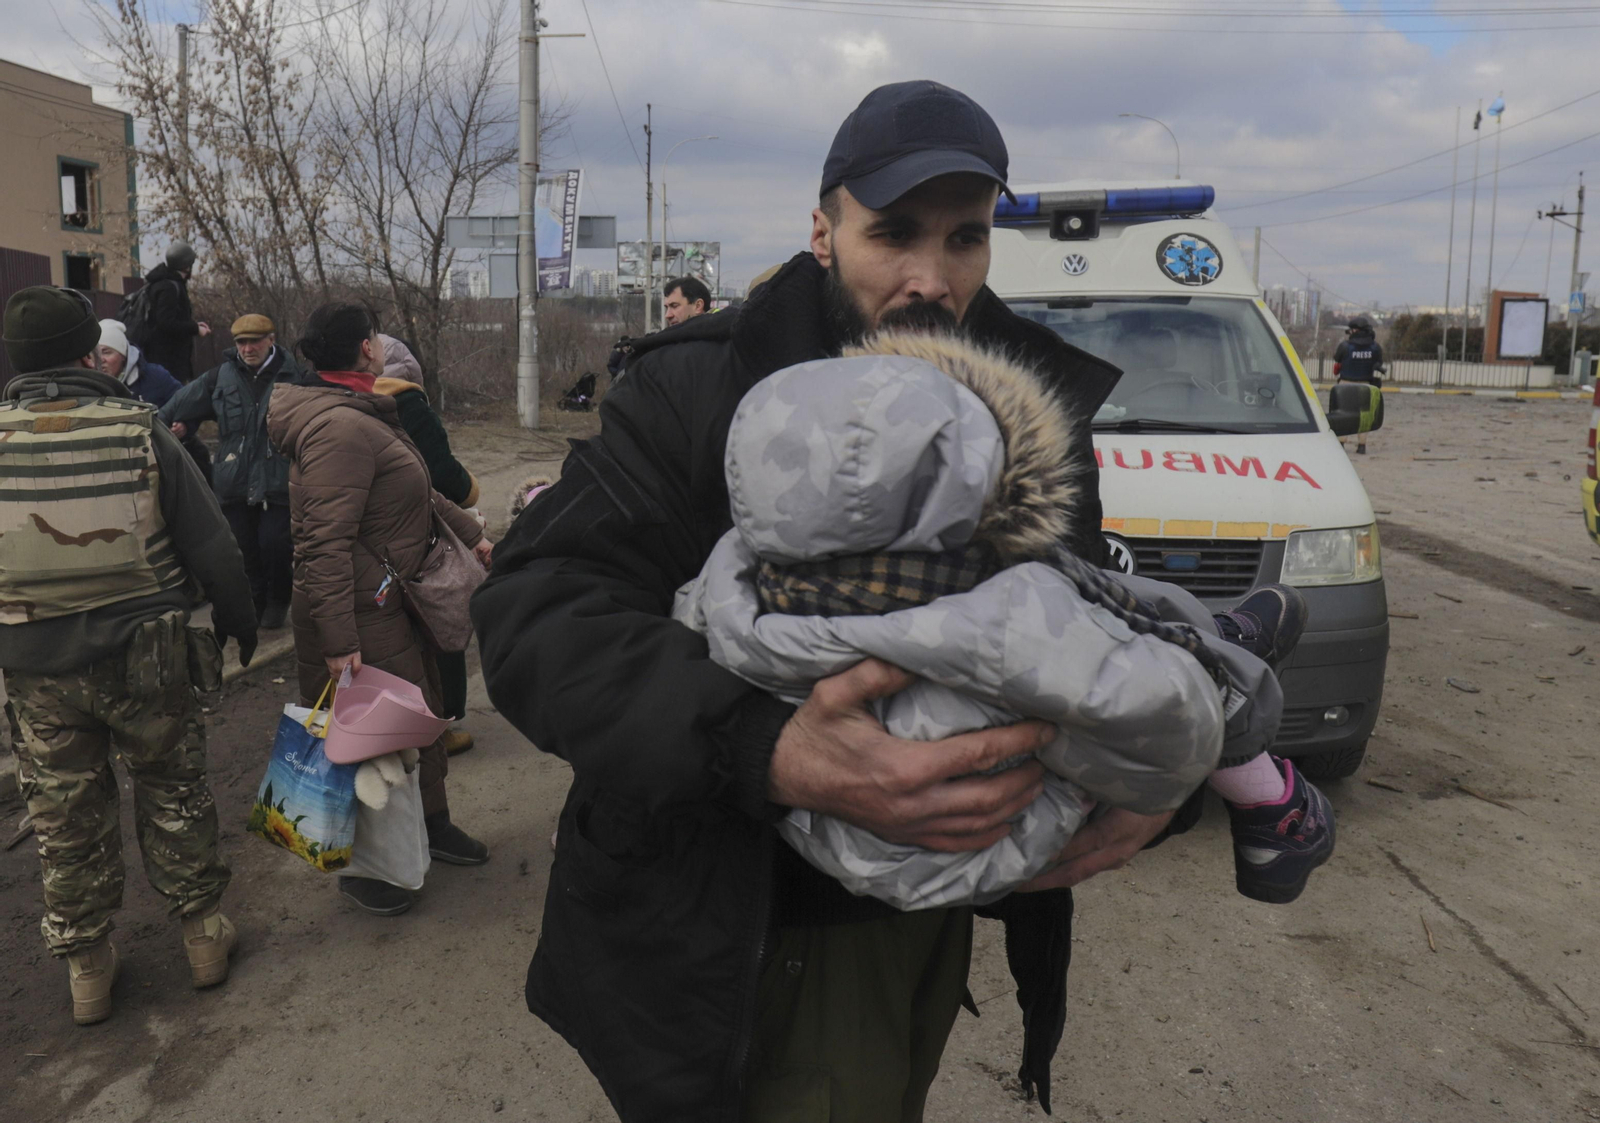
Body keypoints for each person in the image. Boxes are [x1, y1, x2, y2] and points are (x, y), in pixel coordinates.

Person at [475, 80, 1178, 1121]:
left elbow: (1077, 629)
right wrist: (770, 748)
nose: (929, 278)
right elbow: (538, 610)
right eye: (892, 233)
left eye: (964, 239)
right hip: (741, 921)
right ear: (822, 227)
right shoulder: (699, 387)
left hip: (932, 908)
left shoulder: (1024, 403)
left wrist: (1153, 781)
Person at [675, 330, 1334, 915]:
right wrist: (1208, 708)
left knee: (1086, 608)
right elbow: (1170, 735)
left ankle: (1214, 642)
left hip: (839, 837)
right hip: (987, 843)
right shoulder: (1004, 617)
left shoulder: (732, 579)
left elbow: (684, 628)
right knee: (1142, 664)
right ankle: (1267, 789)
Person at [0, 286, 257, 1025]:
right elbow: (212, 542)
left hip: (36, 665)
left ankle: (87, 969)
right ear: (90, 353)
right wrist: (238, 621)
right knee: (174, 790)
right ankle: (204, 938)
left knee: (64, 813)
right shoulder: (139, 426)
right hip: (147, 654)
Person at [267, 302, 493, 917]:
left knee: (417, 725)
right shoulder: (339, 428)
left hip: (391, 600)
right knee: (369, 748)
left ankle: (433, 826)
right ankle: (368, 871)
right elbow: (322, 542)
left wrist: (472, 533)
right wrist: (339, 640)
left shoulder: (363, 412)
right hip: (358, 615)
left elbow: (417, 487)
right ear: (367, 349)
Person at [374, 333, 481, 756]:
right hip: (420, 536)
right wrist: (471, 492)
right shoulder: (411, 406)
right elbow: (441, 475)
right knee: (442, 619)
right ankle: (444, 722)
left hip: (373, 543)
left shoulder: (350, 406)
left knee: (390, 635)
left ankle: (393, 723)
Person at [160, 314, 301, 630]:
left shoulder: (295, 377)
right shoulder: (219, 377)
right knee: (242, 549)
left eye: (254, 341)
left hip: (278, 479)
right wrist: (181, 426)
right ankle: (255, 604)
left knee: (276, 546)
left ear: (271, 340)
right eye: (241, 342)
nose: (248, 348)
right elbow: (178, 407)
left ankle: (278, 599)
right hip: (234, 480)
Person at [128, 242, 211, 383]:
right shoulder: (169, 287)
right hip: (168, 361)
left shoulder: (159, 283)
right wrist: (195, 329)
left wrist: (193, 325)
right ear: (187, 265)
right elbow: (166, 322)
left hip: (160, 359)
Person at [95, 318, 182, 407]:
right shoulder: (86, 384)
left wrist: (179, 419)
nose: (100, 359)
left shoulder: (155, 377)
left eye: (106, 352)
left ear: (123, 356)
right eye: (95, 354)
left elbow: (184, 402)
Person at [1332, 315, 1385, 454]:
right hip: (1366, 384)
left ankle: (1342, 443)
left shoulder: (1345, 346)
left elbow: (1337, 358)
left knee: (1343, 414)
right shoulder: (1375, 347)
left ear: (1354, 330)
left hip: (1345, 384)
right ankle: (1362, 445)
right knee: (1364, 415)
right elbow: (1379, 362)